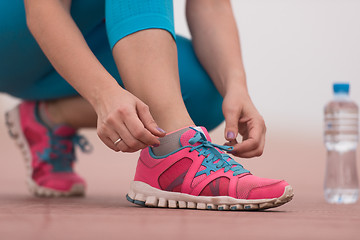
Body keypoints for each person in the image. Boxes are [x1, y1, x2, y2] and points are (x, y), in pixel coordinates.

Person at [0, 0, 293, 210]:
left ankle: (47, 119)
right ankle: (173, 153)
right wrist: (103, 93)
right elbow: (42, 9)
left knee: (205, 91)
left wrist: (236, 86)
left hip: (80, 40)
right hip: (15, 35)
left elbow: (211, 4)